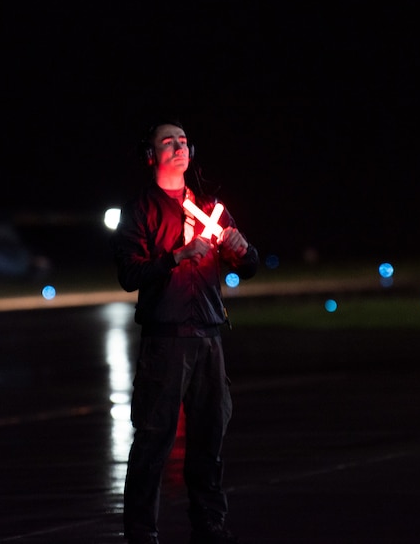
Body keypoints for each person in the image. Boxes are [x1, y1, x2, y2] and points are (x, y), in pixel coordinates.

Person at [112, 120, 260, 544]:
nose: (178, 147)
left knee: (209, 437)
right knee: (154, 439)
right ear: (151, 155)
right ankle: (141, 532)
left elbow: (249, 265)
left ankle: (210, 525)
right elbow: (129, 274)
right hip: (166, 338)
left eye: (183, 142)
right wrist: (176, 256)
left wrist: (241, 250)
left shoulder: (210, 208)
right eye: (167, 142)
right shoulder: (141, 210)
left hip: (210, 337)